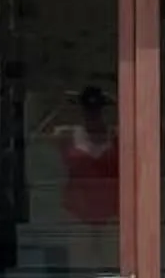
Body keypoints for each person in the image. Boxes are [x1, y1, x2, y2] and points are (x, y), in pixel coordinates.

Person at [40, 84, 120, 229]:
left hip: (114, 216)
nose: (93, 114)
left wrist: (121, 103)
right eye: (88, 110)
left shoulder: (116, 135)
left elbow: (160, 133)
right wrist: (63, 106)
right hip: (75, 215)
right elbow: (39, 134)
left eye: (97, 110)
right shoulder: (69, 134)